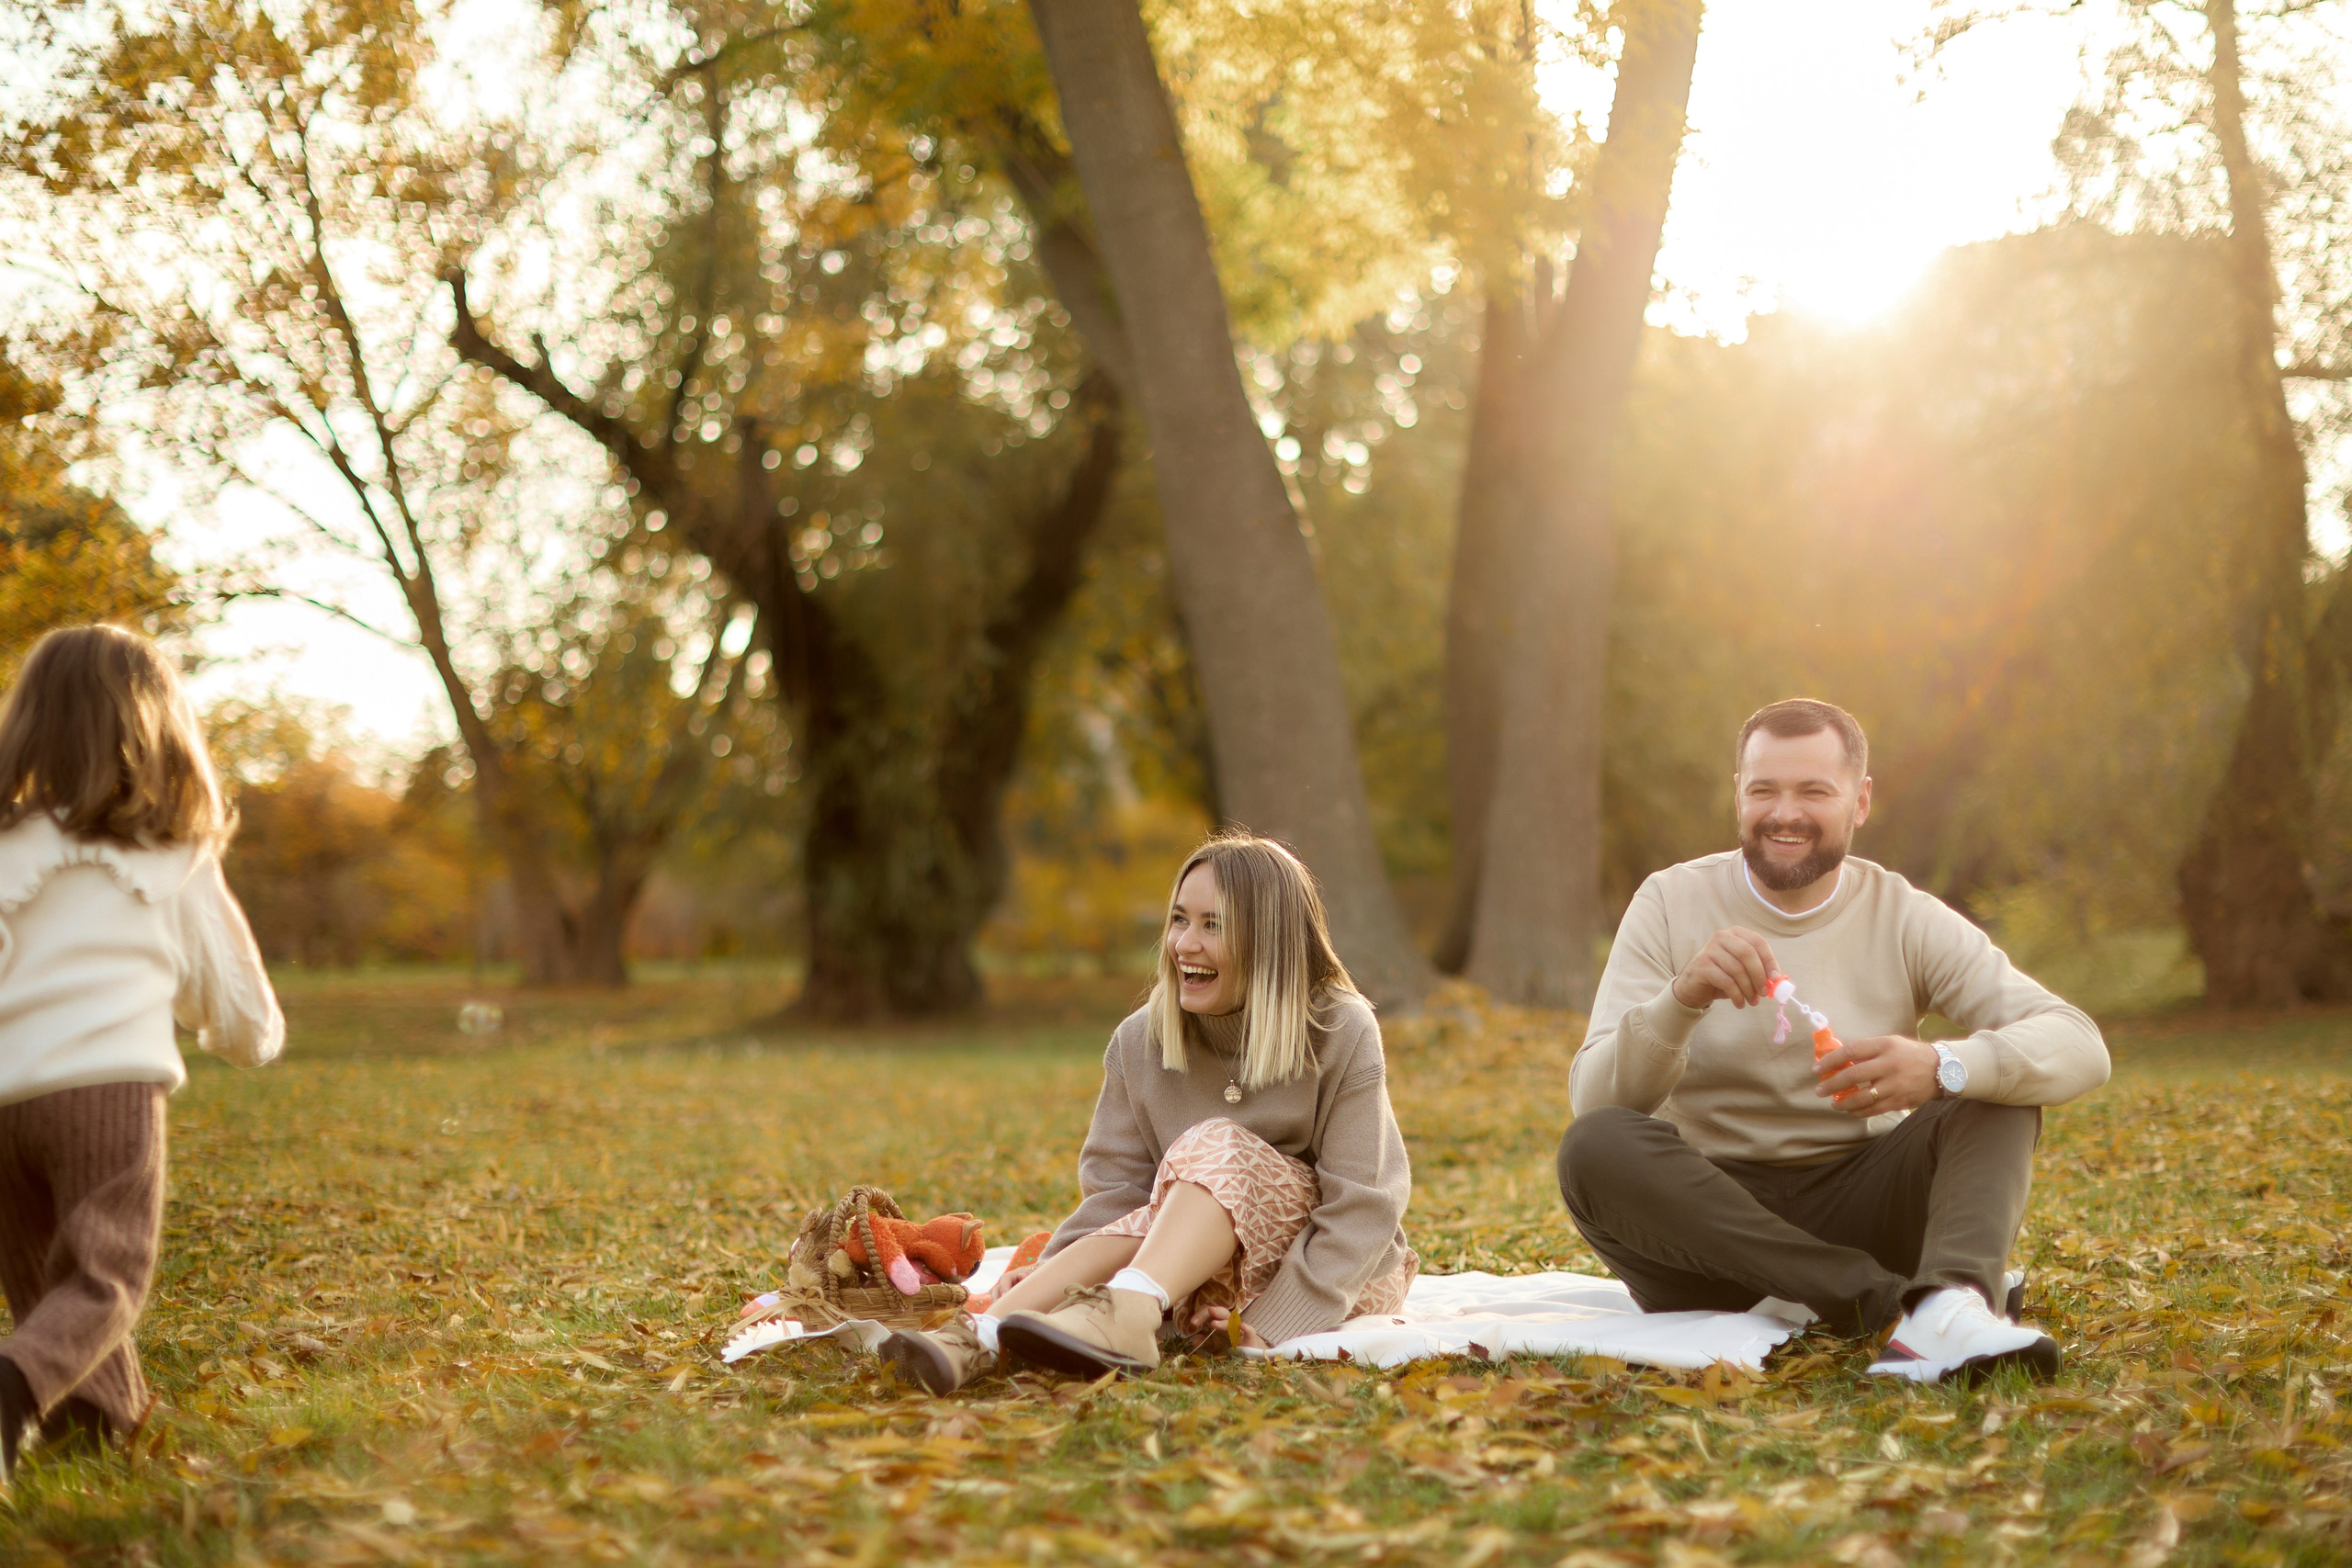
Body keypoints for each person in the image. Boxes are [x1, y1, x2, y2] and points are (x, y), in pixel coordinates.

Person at [1557, 698, 2108, 1383]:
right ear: (1738, 795)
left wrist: (1942, 1065)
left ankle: (1950, 1303)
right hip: (1708, 1235)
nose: (1784, 813)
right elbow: (1597, 1102)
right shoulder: (1670, 901)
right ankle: (1897, 1309)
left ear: (1860, 800)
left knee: (1993, 1089)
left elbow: (2079, 1043)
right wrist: (1681, 999)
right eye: (1764, 790)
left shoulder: (1903, 915)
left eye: (1814, 791)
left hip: (1865, 1200)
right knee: (1594, 1145)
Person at [877, 832, 1415, 1393]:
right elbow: (1120, 1198)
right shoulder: (1140, 1041)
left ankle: (1123, 1311)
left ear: (1269, 942)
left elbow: (1363, 1207)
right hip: (1188, 1277)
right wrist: (1049, 1272)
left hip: (1334, 1273)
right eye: (1179, 919)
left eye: (1213, 925)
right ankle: (981, 1336)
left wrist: (1273, 1322)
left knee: (1216, 1144)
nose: (1185, 943)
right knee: (1173, 1193)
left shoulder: (1340, 1028)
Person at [0, 626, 284, 1484]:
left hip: (4, 1098)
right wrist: (252, 1040)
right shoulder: (171, 850)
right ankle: (9, 1391)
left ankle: (97, 1426)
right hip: (108, 1092)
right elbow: (236, 1003)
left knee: (41, 1277)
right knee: (105, 1275)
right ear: (158, 725)